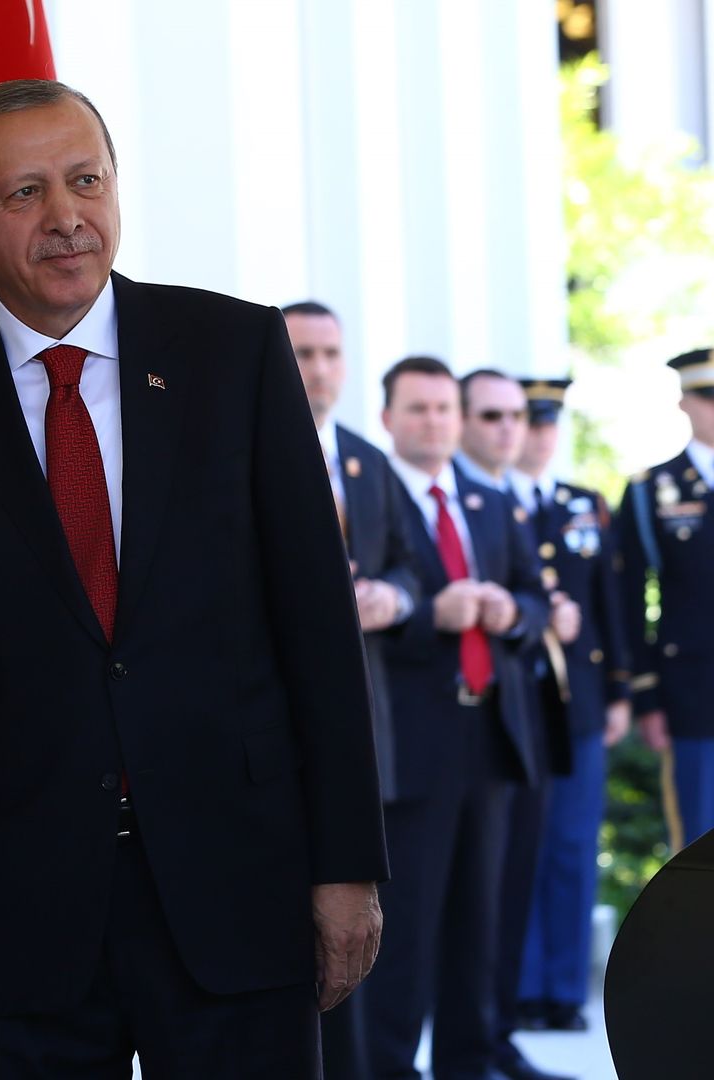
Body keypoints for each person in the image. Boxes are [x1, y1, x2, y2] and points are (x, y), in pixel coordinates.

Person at [0, 80, 388, 1080]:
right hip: (6, 919)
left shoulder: (236, 353)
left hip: (236, 887)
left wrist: (349, 865)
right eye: (25, 194)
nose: (66, 219)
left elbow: (316, 626)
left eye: (86, 181)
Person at [361, 357, 550, 1080]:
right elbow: (361, 612)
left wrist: (514, 614)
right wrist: (427, 618)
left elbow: (534, 595)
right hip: (411, 740)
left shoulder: (490, 502)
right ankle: (389, 1067)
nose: (434, 421)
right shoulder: (368, 498)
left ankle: (471, 1061)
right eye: (418, 409)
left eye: (445, 408)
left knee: (481, 917)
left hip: (491, 735)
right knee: (405, 923)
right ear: (388, 418)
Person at [284, 300, 423, 1080]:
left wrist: (390, 600)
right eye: (302, 353)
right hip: (274, 738)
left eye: (331, 353)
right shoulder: (234, 446)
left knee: (362, 929)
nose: (318, 369)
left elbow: (410, 568)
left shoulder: (369, 463)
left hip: (365, 730)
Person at [454, 370, 580, 1080]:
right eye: (494, 415)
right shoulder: (430, 490)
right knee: (462, 906)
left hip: (519, 731)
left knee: (504, 896)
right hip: (449, 728)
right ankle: (469, 1044)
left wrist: (521, 614)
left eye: (517, 417)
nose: (511, 429)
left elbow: (535, 598)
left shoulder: (507, 502)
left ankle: (493, 1040)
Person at [510, 377, 630, 1042]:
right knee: (521, 847)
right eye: (529, 421)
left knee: (573, 847)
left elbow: (611, 605)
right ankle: (522, 986)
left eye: (548, 422)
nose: (537, 434)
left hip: (580, 705)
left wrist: (618, 689)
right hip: (518, 705)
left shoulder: (585, 505)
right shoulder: (495, 500)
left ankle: (563, 989)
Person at [616, 348, 714, 847]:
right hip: (692, 692)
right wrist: (647, 694)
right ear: (684, 402)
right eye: (708, 396)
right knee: (698, 844)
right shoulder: (650, 490)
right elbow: (631, 601)